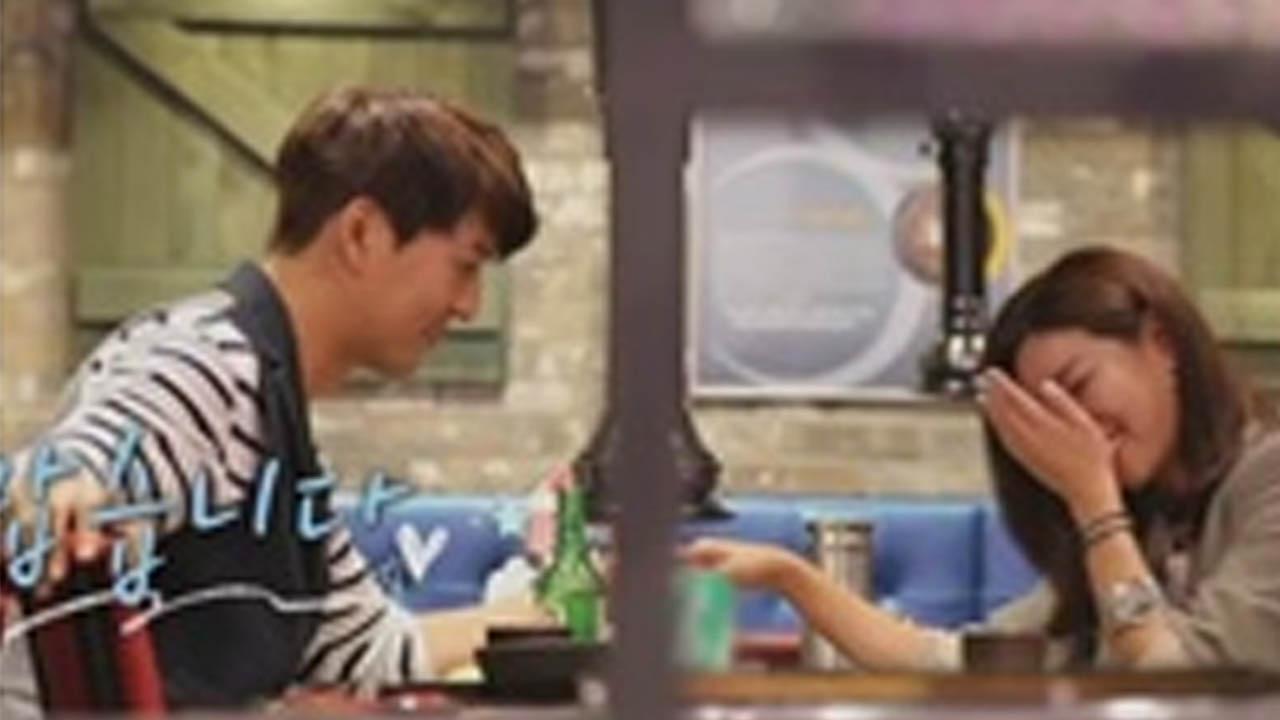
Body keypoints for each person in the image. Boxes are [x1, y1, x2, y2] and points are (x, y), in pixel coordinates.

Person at [0, 86, 546, 713]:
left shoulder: (275, 421)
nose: (470, 305)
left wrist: (559, 608)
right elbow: (90, 456)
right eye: (465, 265)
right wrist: (68, 481)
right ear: (362, 233)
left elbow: (374, 652)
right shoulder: (208, 365)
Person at [684, 246, 1280, 671]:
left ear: (1163, 345)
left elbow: (1174, 685)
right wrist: (791, 578)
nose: (1072, 431)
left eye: (1078, 388)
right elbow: (964, 663)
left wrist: (1094, 502)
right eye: (1042, 416)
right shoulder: (1142, 523)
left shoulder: (1266, 478)